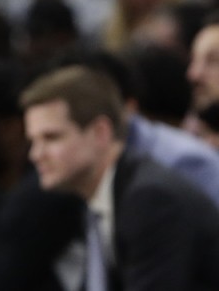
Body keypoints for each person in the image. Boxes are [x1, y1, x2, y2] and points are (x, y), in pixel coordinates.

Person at [21, 65, 219, 290]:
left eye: (51, 138)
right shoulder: (106, 192)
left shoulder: (150, 199)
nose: (36, 155)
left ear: (100, 132)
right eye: (33, 141)